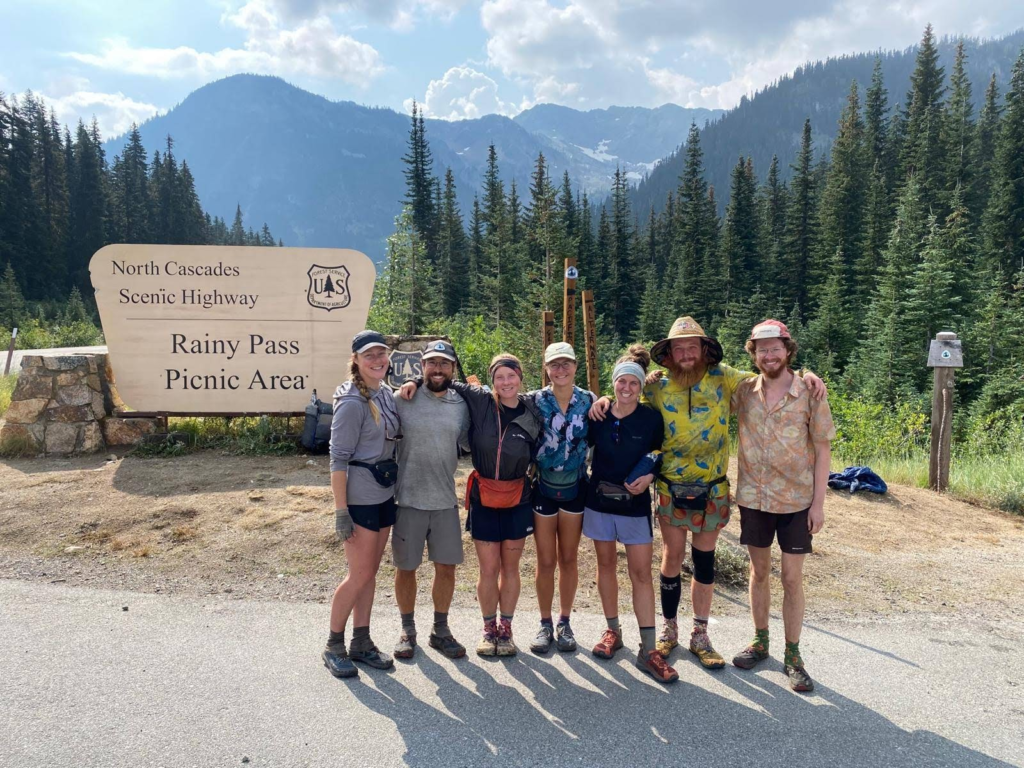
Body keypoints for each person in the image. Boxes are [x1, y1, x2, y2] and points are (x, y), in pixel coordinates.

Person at [590, 316, 826, 671]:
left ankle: (700, 635)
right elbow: (629, 392)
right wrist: (607, 397)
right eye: (678, 348)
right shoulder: (656, 386)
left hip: (712, 488)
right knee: (671, 560)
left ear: (704, 350)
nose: (686, 353)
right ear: (667, 354)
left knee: (704, 562)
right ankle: (668, 631)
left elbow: (772, 376)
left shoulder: (727, 378)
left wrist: (807, 374)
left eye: (692, 346)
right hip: (670, 485)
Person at [400, 353, 541, 658]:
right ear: (492, 380)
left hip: (519, 496)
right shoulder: (479, 400)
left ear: (520, 377)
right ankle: (488, 631)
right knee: (489, 569)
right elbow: (440, 380)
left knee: (511, 569)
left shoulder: (534, 407)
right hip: (484, 497)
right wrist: (411, 381)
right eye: (499, 377)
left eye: (511, 376)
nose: (506, 382)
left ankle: (506, 631)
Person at [730, 320, 834, 693]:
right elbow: (705, 397)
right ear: (753, 353)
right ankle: (760, 641)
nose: (769, 355)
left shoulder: (809, 391)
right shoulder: (743, 391)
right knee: (759, 573)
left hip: (795, 501)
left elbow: (823, 448)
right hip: (754, 499)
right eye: (762, 349)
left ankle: (793, 655)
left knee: (791, 578)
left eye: (775, 348)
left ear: (788, 350)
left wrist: (818, 505)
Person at [584, 345, 678, 684]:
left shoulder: (651, 417)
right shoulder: (597, 414)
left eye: (633, 384)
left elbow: (659, 453)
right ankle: (613, 632)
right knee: (605, 565)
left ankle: (648, 649)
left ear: (641, 388)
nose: (626, 389)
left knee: (641, 574)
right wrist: (601, 400)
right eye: (621, 383)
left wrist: (652, 475)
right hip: (599, 502)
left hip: (635, 505)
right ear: (614, 384)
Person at [323, 330, 401, 679]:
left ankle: (361, 641)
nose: (377, 360)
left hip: (384, 492)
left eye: (381, 353)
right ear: (355, 359)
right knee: (358, 574)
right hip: (360, 497)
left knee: (369, 573)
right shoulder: (352, 402)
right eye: (368, 355)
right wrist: (341, 511)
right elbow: (337, 459)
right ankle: (333, 644)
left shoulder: (383, 393)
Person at [391, 340, 471, 660]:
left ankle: (440, 630)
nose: (438, 369)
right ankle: (407, 630)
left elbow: (473, 440)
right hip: (407, 499)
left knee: (446, 569)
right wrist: (407, 384)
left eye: (444, 363)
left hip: (444, 500)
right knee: (406, 568)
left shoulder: (461, 405)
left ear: (453, 368)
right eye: (432, 363)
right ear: (421, 366)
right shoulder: (403, 399)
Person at [528, 342, 593, 655]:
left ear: (575, 366)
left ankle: (565, 622)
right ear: (546, 368)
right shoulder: (534, 401)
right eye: (555, 364)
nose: (561, 369)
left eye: (566, 363)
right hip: (543, 488)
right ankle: (544, 623)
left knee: (568, 559)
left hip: (575, 489)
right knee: (545, 561)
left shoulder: (590, 401)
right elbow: (499, 398)